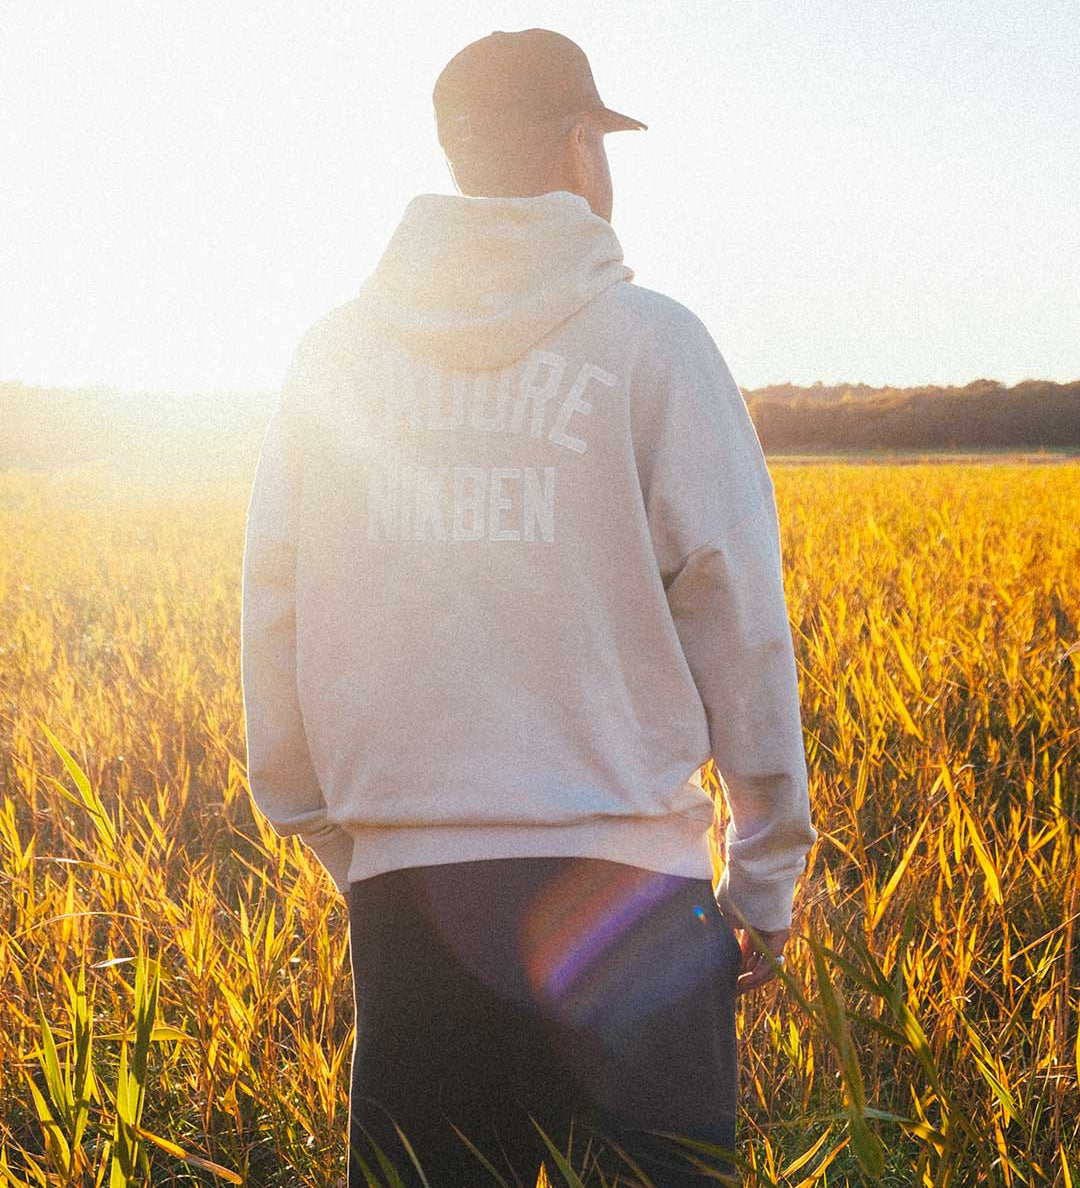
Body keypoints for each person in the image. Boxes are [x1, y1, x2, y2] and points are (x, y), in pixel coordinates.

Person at [240, 27, 818, 1188]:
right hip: (635, 901)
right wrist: (763, 875)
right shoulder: (658, 345)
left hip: (413, 907)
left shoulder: (332, 360)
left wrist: (346, 839)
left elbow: (274, 614)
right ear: (578, 150)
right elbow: (739, 615)